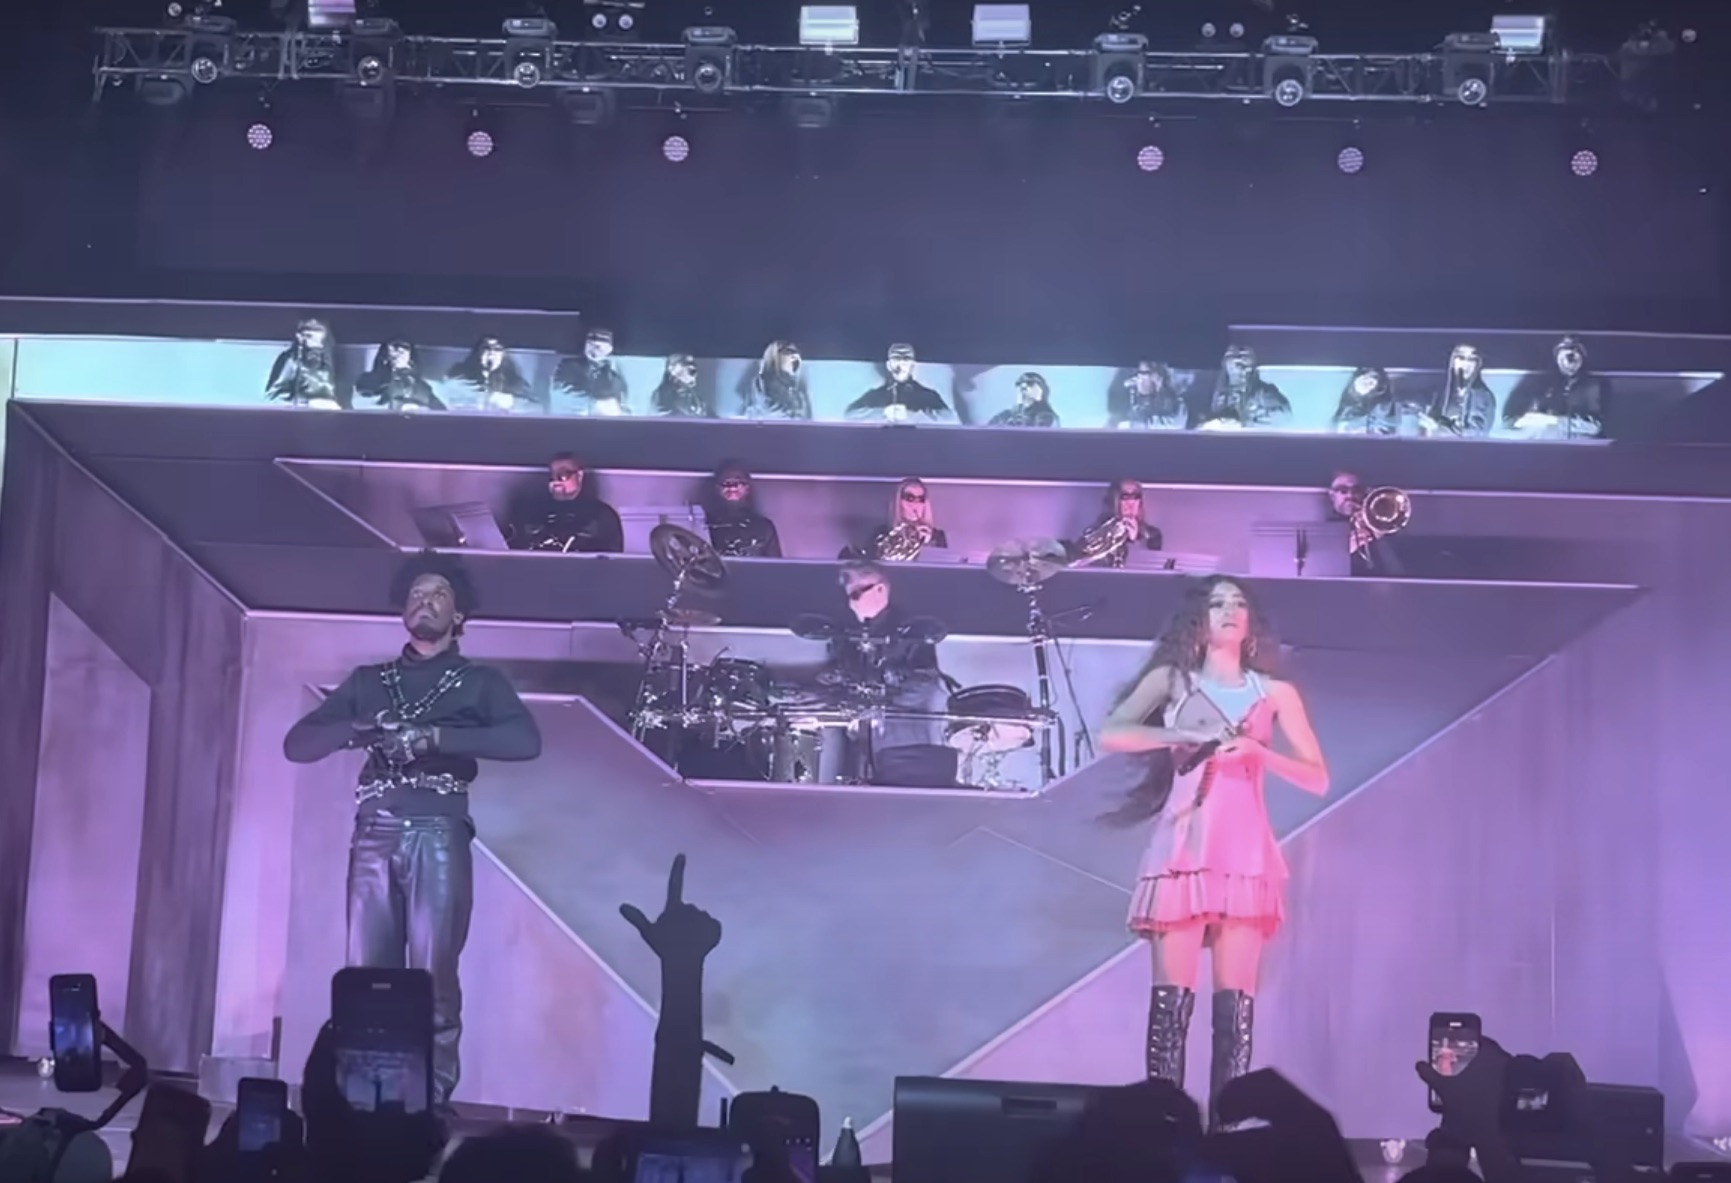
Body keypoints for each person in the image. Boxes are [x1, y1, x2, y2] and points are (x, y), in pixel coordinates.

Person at [282, 553, 543, 1110]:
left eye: (438, 594)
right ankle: (362, 1096)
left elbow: (525, 742)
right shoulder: (369, 682)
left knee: (433, 973)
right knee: (366, 974)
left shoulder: (479, 682)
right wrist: (360, 727)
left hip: (437, 831)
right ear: (403, 610)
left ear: (459, 614)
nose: (425, 602)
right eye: (417, 594)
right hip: (373, 832)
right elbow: (298, 745)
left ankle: (430, 1099)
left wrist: (435, 738)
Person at [1099, 577, 1328, 1127]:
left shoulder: (1274, 693)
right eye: (1217, 602)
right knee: (1170, 1006)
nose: (1229, 610)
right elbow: (1113, 732)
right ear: (1197, 619)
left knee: (1234, 1011)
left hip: (1244, 855)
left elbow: (1317, 777)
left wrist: (1256, 750)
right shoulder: (1172, 680)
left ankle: (1228, 1133)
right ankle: (1163, 1132)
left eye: (1239, 603)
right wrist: (1176, 735)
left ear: (1251, 621)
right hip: (1182, 850)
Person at [825, 562, 947, 772]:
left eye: (855, 595)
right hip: (861, 741)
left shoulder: (910, 630)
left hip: (904, 741)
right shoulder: (846, 634)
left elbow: (924, 684)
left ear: (880, 589)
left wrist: (882, 701)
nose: (851, 604)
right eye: (848, 597)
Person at [506, 453, 625, 554]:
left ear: (579, 476)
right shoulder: (529, 511)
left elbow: (613, 560)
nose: (556, 482)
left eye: (563, 475)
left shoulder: (602, 515)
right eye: (552, 476)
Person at [847, 477, 949, 562]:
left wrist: (928, 544)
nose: (915, 505)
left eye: (920, 499)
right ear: (898, 501)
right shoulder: (881, 534)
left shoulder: (937, 536)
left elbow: (940, 569)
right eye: (910, 498)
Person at [845, 343, 954, 423]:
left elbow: (948, 418)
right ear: (889, 365)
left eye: (906, 358)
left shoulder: (927, 395)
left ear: (913, 365)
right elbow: (850, 414)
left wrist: (910, 414)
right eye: (896, 358)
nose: (901, 363)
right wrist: (883, 412)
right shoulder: (876, 395)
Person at [1068, 479, 1164, 569]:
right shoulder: (1095, 533)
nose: (1130, 503)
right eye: (1124, 497)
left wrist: (1134, 542)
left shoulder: (1153, 535)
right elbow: (1080, 564)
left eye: (1135, 497)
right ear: (1114, 500)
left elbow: (1150, 569)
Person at [702, 462, 782, 558]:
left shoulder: (764, 527)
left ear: (747, 488)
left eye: (738, 482)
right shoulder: (704, 525)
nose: (732, 487)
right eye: (726, 482)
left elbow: (775, 564)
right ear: (717, 488)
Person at [265, 316, 344, 409]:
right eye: (304, 329)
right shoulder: (291, 358)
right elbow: (272, 396)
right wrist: (309, 403)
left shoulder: (331, 357)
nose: (308, 332)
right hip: (301, 414)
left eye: (316, 329)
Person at [355, 339, 444, 413]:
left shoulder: (429, 388)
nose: (400, 351)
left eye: (405, 348)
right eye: (395, 348)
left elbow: (443, 412)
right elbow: (362, 405)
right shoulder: (373, 388)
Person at [989, 372, 1061, 428]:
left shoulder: (1047, 416)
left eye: (1030, 383)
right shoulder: (1005, 415)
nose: (1024, 387)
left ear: (1042, 389)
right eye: (1019, 385)